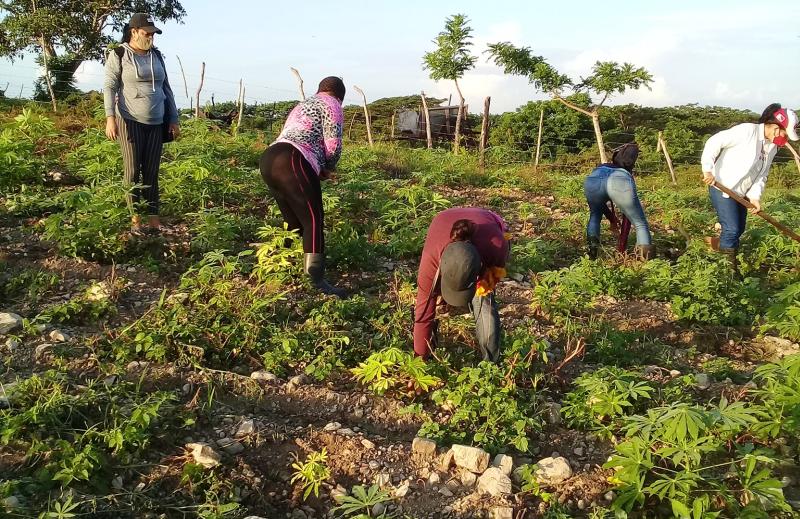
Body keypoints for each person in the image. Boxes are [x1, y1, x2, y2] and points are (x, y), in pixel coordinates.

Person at [259, 77, 346, 297]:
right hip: (293, 159)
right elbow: (333, 144)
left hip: (270, 158)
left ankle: (283, 266)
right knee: (313, 220)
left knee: (293, 220)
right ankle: (315, 281)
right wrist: (328, 166)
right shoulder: (332, 104)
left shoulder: (304, 104)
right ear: (339, 95)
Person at [103, 12, 179, 234]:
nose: (151, 38)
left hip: (156, 121)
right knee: (133, 171)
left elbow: (167, 88)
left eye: (153, 35)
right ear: (134, 32)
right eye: (147, 34)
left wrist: (173, 119)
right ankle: (135, 221)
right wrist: (110, 118)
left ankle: (154, 222)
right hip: (129, 120)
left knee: (152, 172)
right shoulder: (118, 54)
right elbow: (109, 86)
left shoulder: (157, 56)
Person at [701, 104, 799, 267]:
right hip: (721, 186)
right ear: (775, 127)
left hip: (742, 193)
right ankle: (728, 272)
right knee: (732, 229)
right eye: (785, 133)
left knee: (738, 229)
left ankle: (715, 245)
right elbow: (714, 142)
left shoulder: (772, 146)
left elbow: (762, 174)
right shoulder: (747, 131)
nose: (785, 138)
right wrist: (707, 170)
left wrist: (755, 197)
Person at [413, 207, 511, 363]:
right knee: (431, 302)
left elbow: (494, 276)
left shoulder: (497, 247)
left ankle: (491, 364)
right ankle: (429, 353)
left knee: (484, 300)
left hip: (492, 224)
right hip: (443, 222)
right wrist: (418, 364)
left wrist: (482, 285)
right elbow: (423, 316)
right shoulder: (430, 265)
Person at [583, 143, 653, 260]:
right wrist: (622, 246)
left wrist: (612, 220)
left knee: (595, 216)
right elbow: (627, 217)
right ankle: (645, 261)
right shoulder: (626, 174)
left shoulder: (603, 166)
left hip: (593, 179)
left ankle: (592, 255)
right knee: (640, 224)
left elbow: (601, 206)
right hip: (619, 180)